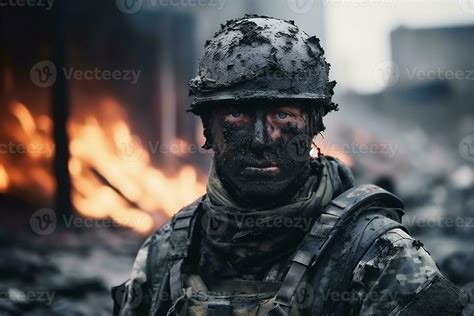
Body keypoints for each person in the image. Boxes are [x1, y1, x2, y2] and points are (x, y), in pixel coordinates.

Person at [113, 15, 464, 315]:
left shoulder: (379, 258)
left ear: (313, 125)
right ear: (207, 127)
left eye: (283, 114)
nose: (262, 140)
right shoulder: (165, 255)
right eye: (236, 114)